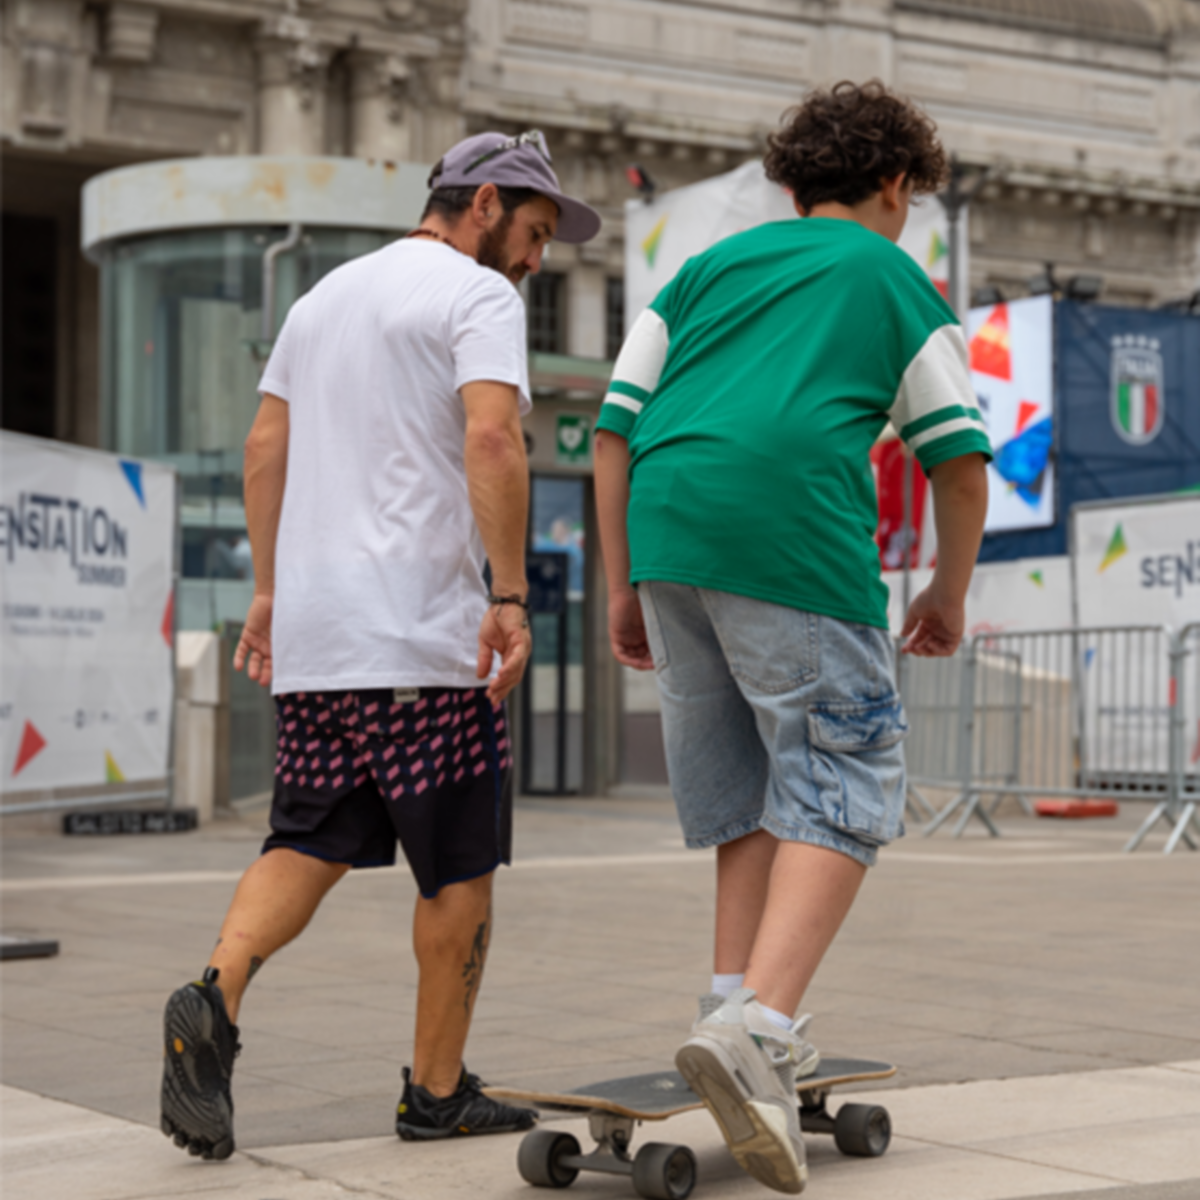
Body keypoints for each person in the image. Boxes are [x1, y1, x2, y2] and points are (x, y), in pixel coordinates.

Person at [159, 130, 601, 1159]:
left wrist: (269, 591)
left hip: (322, 644)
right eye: (535, 233)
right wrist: (506, 594)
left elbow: (264, 447)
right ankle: (435, 1094)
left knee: (305, 840)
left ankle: (210, 1002)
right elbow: (493, 437)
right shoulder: (475, 296)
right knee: (459, 869)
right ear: (484, 205)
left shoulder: (319, 303)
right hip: (424, 641)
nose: (536, 261)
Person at [594, 81, 990, 1194]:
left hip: (669, 528)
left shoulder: (705, 270)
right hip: (790, 537)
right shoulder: (891, 275)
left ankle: (728, 1002)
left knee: (751, 790)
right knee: (846, 775)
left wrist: (625, 589)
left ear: (789, 180)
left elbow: (614, 431)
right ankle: (759, 1035)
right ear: (898, 184)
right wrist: (947, 595)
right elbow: (956, 458)